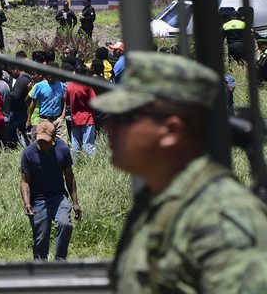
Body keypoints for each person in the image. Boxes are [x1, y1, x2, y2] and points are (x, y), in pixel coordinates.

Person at [98, 51, 267, 291]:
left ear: (171, 130)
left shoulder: (221, 217)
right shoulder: (157, 202)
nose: (109, 126)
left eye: (124, 117)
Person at [20, 121, 81, 260]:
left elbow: (70, 177)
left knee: (65, 224)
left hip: (58, 197)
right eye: (39, 140)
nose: (41, 144)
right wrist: (27, 203)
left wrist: (75, 202)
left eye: (45, 141)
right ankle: (40, 268)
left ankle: (60, 262)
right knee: (41, 238)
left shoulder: (63, 149)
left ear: (54, 139)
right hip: (38, 199)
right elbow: (24, 182)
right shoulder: (28, 153)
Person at [64, 62, 97, 159]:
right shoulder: (87, 85)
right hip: (87, 118)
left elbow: (66, 101)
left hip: (74, 118)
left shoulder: (69, 86)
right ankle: (91, 164)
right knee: (88, 144)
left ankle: (75, 163)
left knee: (75, 144)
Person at [28, 67, 67, 141]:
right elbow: (33, 102)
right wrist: (28, 119)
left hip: (58, 119)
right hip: (44, 120)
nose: (50, 78)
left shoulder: (61, 85)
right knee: (44, 143)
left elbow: (64, 100)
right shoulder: (39, 86)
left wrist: (63, 115)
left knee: (63, 143)